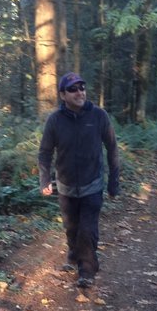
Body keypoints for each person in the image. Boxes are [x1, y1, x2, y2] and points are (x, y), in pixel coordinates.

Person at [38, 72, 120, 288]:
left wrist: (114, 180)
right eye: (73, 89)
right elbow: (45, 152)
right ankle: (74, 256)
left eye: (82, 87)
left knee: (87, 229)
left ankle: (87, 270)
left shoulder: (99, 116)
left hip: (92, 184)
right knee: (71, 228)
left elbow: (112, 147)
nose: (80, 92)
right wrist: (44, 179)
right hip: (65, 187)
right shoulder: (55, 120)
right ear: (63, 95)